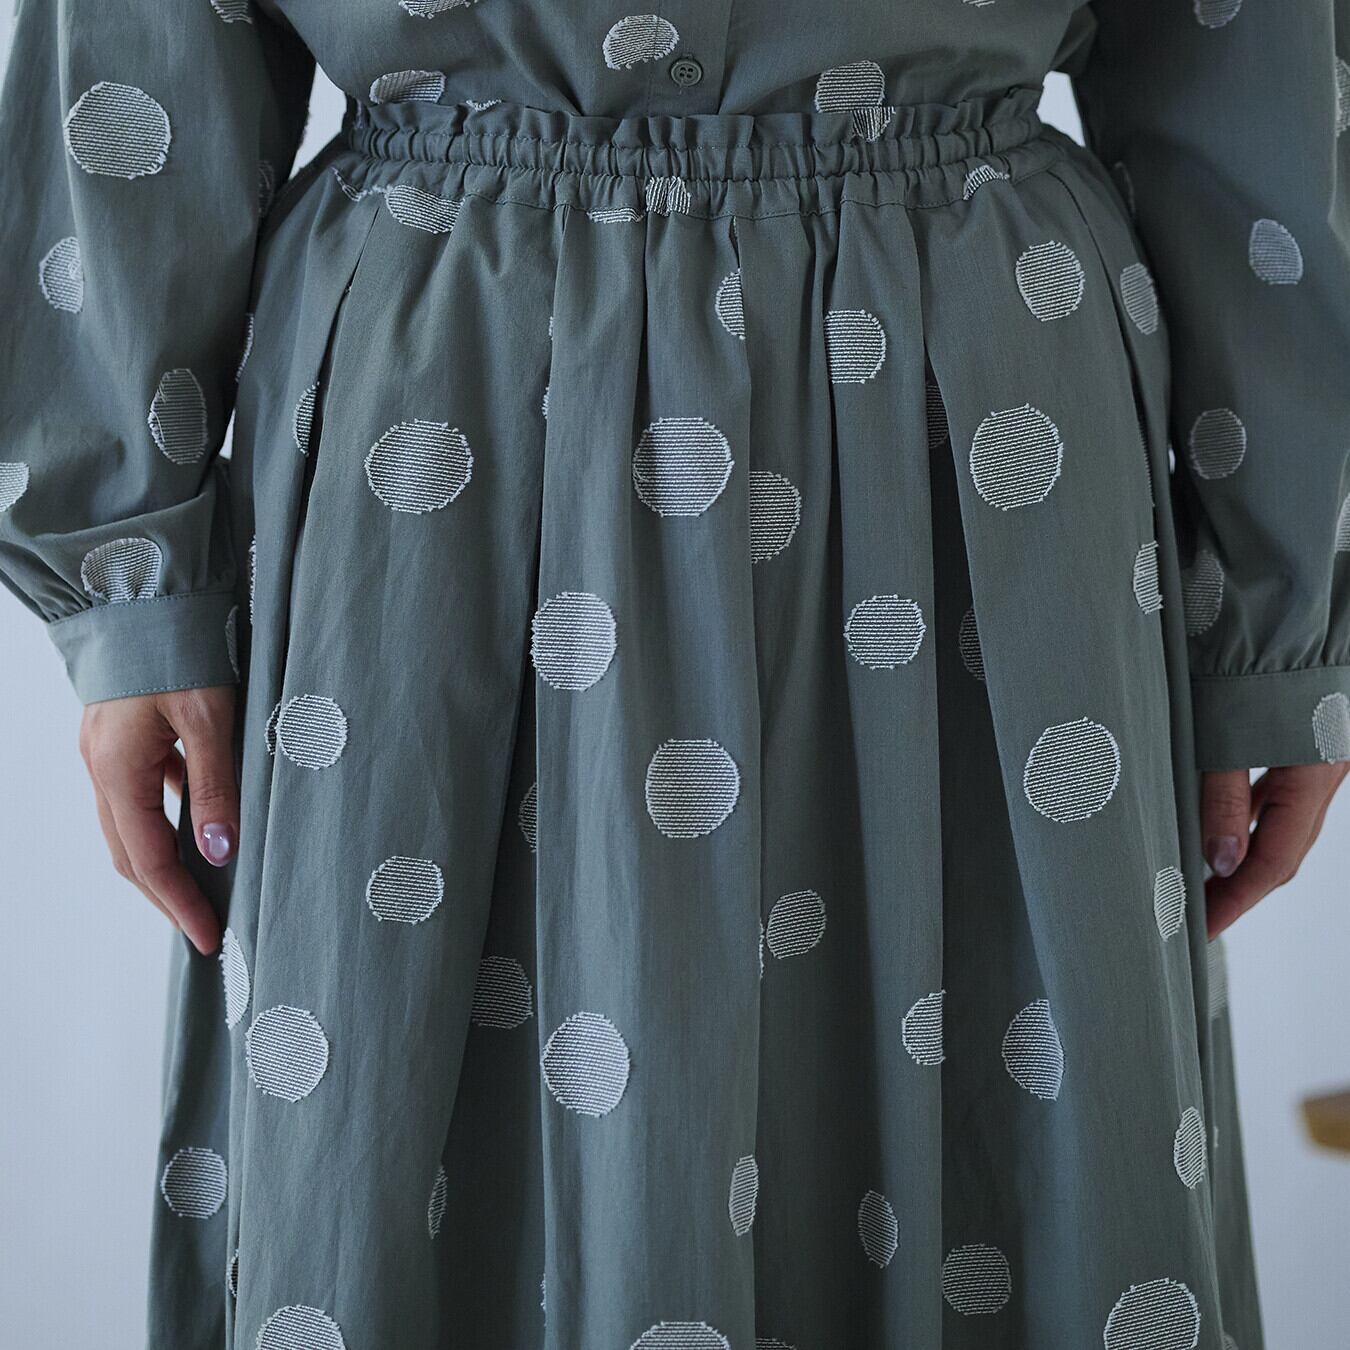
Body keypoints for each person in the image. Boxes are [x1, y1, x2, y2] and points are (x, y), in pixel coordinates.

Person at [1, 0, 1347, 1346]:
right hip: (441, 461)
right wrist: (129, 581)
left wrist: (1284, 608)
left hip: (966, 439)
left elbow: (1238, 52)